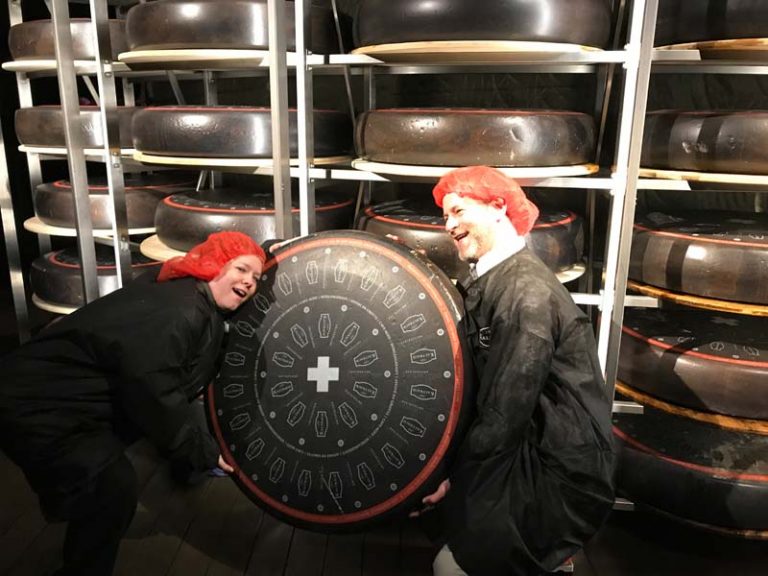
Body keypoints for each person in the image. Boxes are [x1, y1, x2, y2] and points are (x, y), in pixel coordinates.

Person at [0, 231, 266, 576]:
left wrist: (269, 253)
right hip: (37, 402)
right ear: (213, 264)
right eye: (241, 269)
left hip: (64, 403)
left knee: (106, 493)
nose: (249, 282)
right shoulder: (179, 311)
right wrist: (198, 450)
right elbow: (153, 389)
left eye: (256, 277)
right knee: (110, 490)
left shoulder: (187, 295)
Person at [420, 166, 616, 576]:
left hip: (553, 468)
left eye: (458, 211)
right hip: (523, 446)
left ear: (497, 207)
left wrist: (451, 477)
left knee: (451, 567)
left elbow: (504, 411)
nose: (449, 225)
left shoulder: (526, 295)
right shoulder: (493, 277)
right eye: (445, 216)